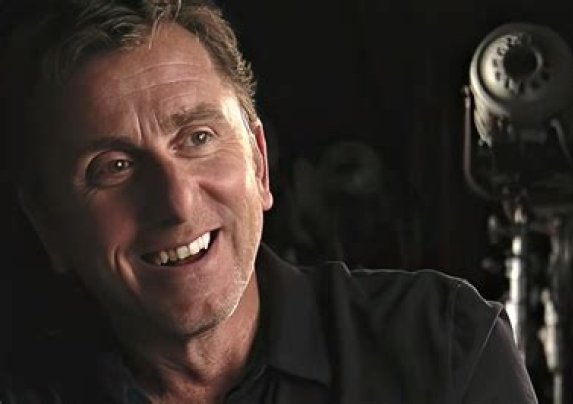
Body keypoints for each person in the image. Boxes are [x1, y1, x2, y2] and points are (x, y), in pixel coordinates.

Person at [0, 0, 538, 403]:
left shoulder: (444, 351)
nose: (176, 203)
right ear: (49, 225)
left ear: (258, 162)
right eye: (114, 167)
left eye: (198, 138)